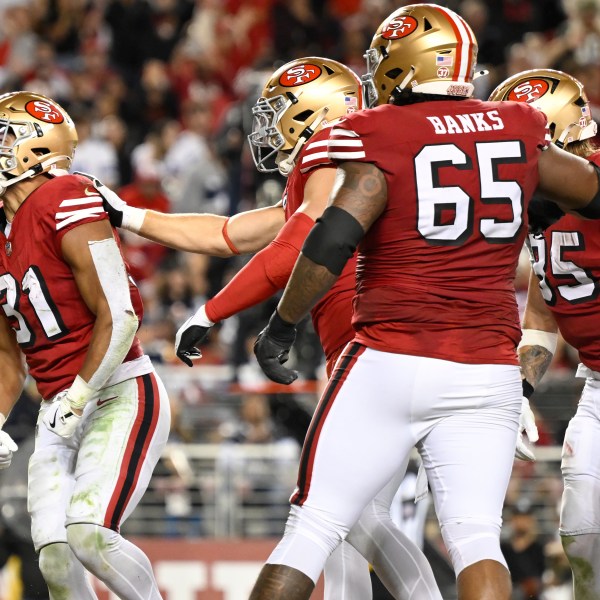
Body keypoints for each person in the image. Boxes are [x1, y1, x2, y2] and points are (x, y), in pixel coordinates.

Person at [248, 4, 600, 600]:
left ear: (402, 64)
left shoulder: (379, 129)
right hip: (488, 366)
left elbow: (333, 239)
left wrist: (281, 327)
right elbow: (590, 194)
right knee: (476, 541)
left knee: (311, 529)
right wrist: (530, 203)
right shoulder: (516, 123)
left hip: (391, 354)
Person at [93, 56, 442, 600]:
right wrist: (127, 214)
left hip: (377, 352)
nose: (269, 126)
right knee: (354, 519)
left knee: (337, 510)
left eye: (279, 111)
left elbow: (300, 241)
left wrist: (209, 312)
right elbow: (225, 233)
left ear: (316, 111)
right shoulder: (341, 170)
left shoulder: (334, 155)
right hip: (376, 351)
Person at [0, 91, 171, 599]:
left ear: (34, 147)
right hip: (59, 406)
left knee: (89, 536)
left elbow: (120, 315)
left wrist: (76, 398)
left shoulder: (64, 195)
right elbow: (8, 355)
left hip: (118, 391)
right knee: (54, 557)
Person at [490, 67, 600, 599]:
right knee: (581, 533)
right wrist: (519, 392)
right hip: (597, 388)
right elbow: (541, 315)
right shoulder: (541, 210)